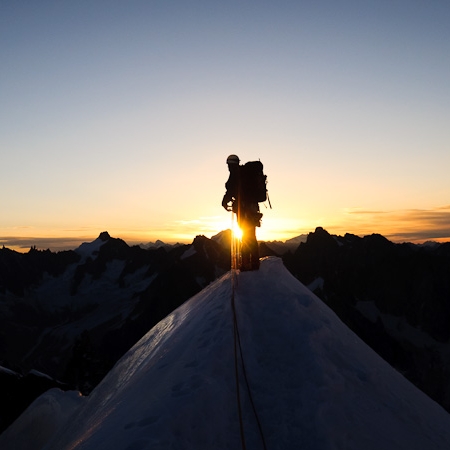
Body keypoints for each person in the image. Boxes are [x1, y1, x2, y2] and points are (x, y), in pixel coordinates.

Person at [222, 154, 262, 271]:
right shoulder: (246, 174)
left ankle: (245, 264)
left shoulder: (235, 174)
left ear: (230, 164)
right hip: (253, 209)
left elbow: (230, 190)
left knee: (245, 235)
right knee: (251, 235)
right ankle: (254, 262)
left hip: (244, 210)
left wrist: (224, 202)